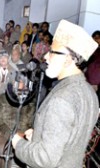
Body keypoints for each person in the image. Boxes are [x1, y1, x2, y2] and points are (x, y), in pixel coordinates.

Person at [12, 20, 99, 167]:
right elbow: (70, 139)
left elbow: (46, 158)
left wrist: (18, 144)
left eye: (52, 51)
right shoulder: (89, 91)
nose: (46, 56)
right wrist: (39, 135)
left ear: (67, 59)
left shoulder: (62, 99)